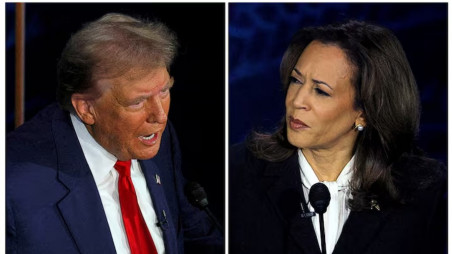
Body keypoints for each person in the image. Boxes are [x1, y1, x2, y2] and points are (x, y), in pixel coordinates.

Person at [6, 13, 223, 254]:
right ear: (87, 109)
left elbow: (199, 237)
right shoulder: (14, 189)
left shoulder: (156, 138)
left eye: (164, 91)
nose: (159, 116)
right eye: (138, 102)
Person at [229, 20, 447, 254]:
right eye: (296, 80)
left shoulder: (424, 189)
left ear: (364, 112)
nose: (297, 101)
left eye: (321, 91)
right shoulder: (238, 171)